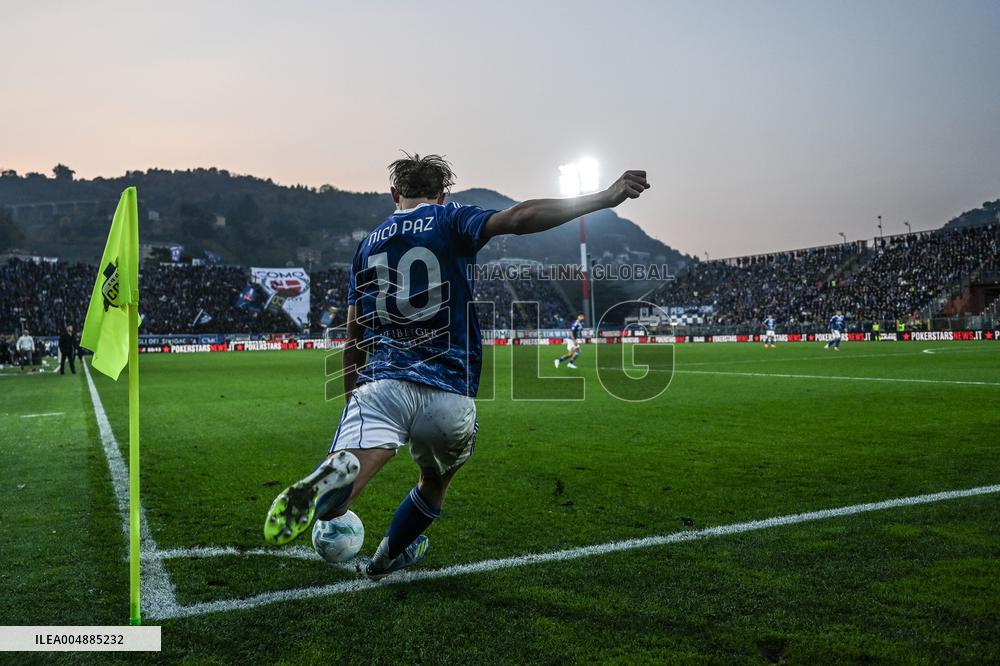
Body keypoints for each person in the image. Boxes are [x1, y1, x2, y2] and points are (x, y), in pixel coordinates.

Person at [263, 153, 650, 579]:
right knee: (435, 481)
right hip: (448, 390)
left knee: (342, 494)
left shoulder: (368, 244)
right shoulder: (450, 218)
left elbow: (354, 335)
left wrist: (352, 394)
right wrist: (603, 198)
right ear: (442, 194)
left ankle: (337, 483)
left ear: (395, 194)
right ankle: (385, 559)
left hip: (382, 384)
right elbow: (521, 217)